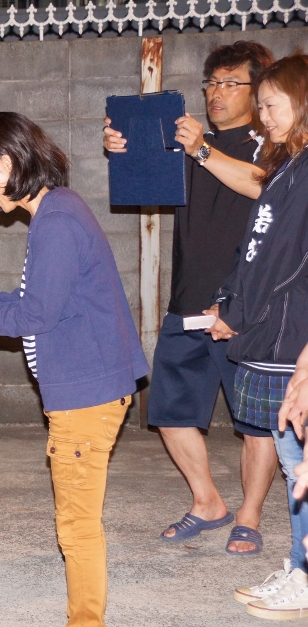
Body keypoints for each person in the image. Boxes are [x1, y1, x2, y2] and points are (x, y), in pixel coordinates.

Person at [0, 111, 148, 627]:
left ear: (6, 164)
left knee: (77, 527)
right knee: (78, 522)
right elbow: (37, 299)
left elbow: (35, 314)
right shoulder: (58, 210)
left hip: (86, 396)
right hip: (88, 387)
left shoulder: (57, 222)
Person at [103, 41, 276, 554]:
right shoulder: (186, 143)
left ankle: (249, 515)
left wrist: (201, 150)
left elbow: (261, 186)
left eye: (231, 83)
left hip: (246, 307)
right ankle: (208, 503)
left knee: (256, 424)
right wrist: (124, 149)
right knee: (170, 411)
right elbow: (139, 188)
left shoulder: (272, 144)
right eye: (211, 83)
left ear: (258, 90)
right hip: (188, 301)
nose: (217, 93)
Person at [203, 54, 308, 619]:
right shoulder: (287, 167)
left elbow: (285, 264)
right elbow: (255, 250)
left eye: (271, 104)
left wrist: (241, 312)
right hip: (273, 332)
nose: (263, 116)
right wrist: (230, 302)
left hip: (290, 337)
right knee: (296, 465)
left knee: (300, 466)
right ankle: (299, 566)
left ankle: (304, 574)